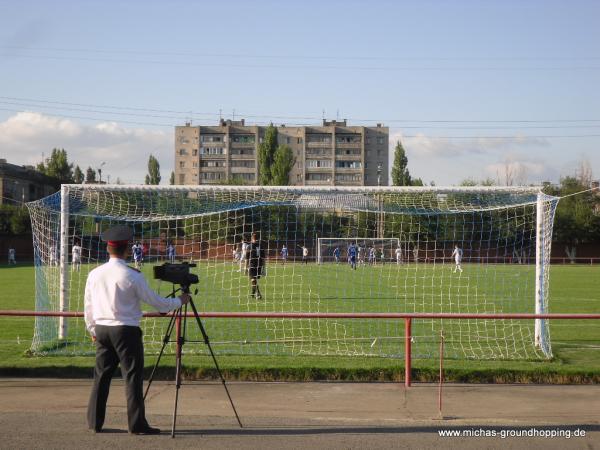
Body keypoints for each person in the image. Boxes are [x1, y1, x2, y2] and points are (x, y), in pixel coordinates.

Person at [84, 225, 190, 435]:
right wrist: (180, 300)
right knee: (132, 377)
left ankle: (95, 422)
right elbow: (157, 303)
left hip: (102, 328)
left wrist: (92, 329)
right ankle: (137, 424)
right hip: (126, 331)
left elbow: (88, 305)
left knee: (102, 377)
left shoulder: (94, 274)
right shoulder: (132, 275)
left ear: (108, 249)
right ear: (127, 250)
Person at [246, 233, 265, 299]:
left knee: (253, 279)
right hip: (259, 265)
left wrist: (245, 268)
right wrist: (264, 269)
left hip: (252, 265)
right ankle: (252, 294)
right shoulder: (261, 246)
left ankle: (258, 294)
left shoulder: (249, 246)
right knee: (254, 280)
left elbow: (247, 258)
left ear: (252, 238)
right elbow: (263, 258)